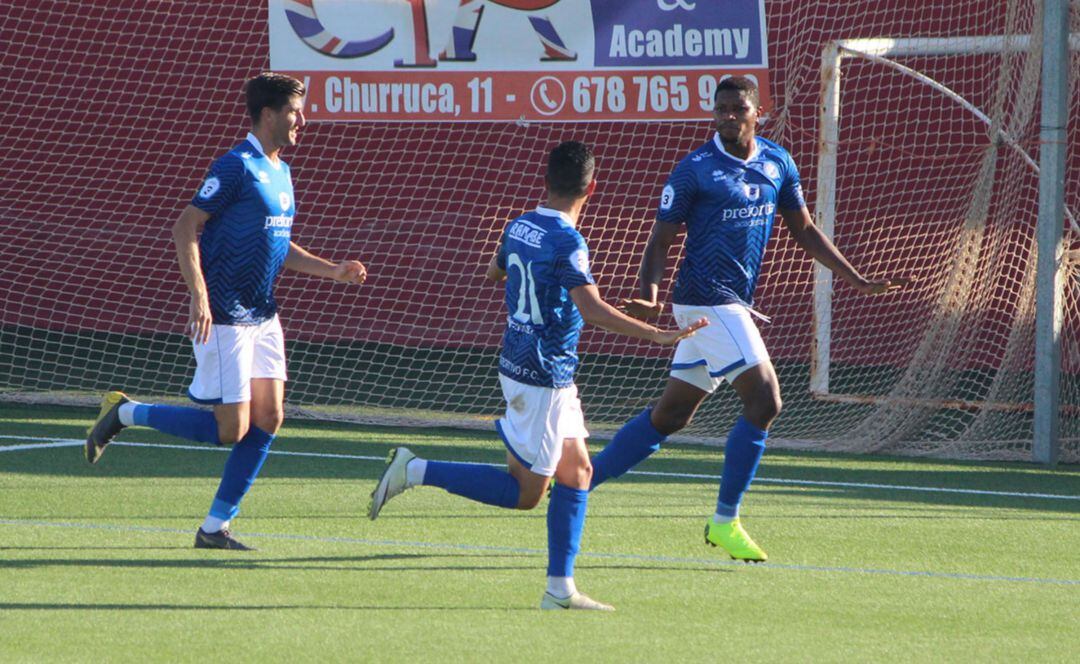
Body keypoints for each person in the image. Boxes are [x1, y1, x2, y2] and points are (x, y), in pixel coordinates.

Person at [367, 141, 706, 610]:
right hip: (541, 375)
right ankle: (415, 470)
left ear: (545, 182)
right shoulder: (568, 240)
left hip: (536, 368)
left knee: (579, 472)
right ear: (592, 186)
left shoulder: (520, 225)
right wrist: (657, 336)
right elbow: (590, 309)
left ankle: (560, 589)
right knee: (527, 494)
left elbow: (494, 272)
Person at [587, 76, 908, 562]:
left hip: (729, 302)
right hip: (705, 300)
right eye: (721, 109)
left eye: (738, 108)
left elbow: (804, 229)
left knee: (671, 415)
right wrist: (649, 296)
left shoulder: (778, 161)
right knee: (765, 400)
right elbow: (659, 243)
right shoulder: (695, 170)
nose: (728, 116)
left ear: (759, 111)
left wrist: (856, 278)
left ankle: (578, 484)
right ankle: (725, 521)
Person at [84, 72, 367, 550]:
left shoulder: (281, 171)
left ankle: (215, 528)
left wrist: (333, 270)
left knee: (269, 418)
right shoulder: (235, 166)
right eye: (295, 111)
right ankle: (126, 412)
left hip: (264, 314)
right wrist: (199, 296)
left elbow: (277, 242)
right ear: (269, 114)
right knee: (230, 430)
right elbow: (184, 226)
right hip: (226, 316)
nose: (303, 119)